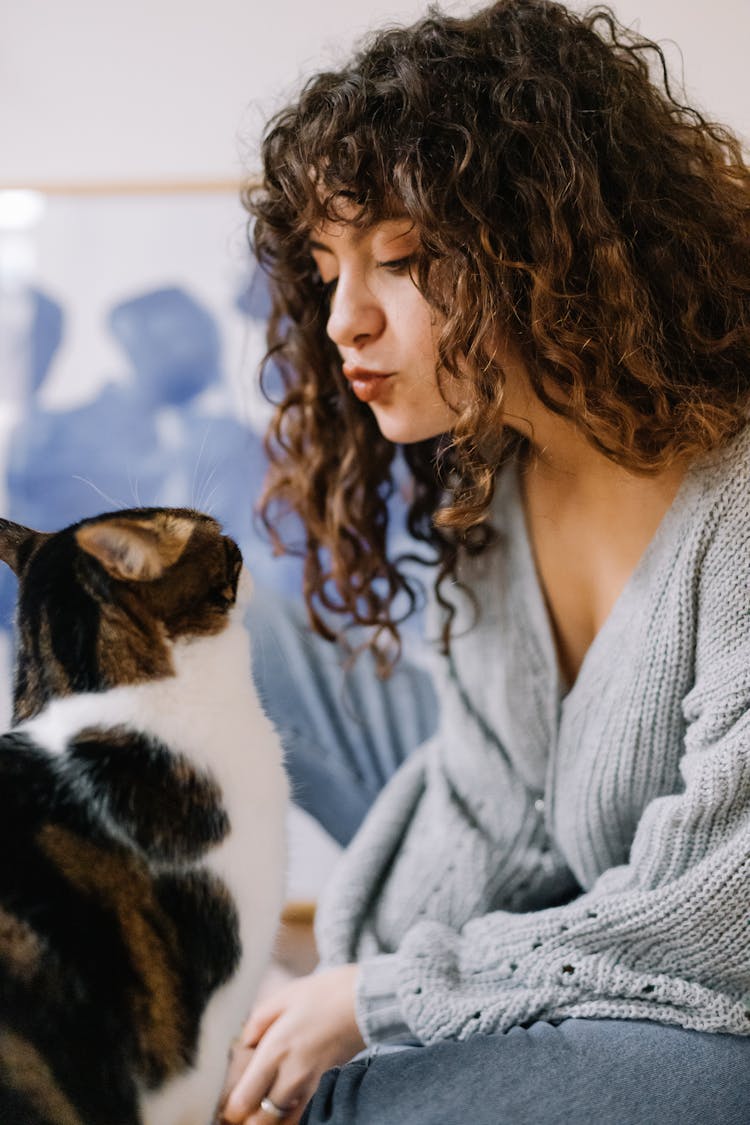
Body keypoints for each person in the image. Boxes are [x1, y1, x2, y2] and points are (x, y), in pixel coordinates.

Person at [223, 1, 750, 1121]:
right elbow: (488, 809)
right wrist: (336, 1000)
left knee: (364, 1098)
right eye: (326, 270)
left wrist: (387, 1000)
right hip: (605, 904)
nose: (342, 323)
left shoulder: (736, 498)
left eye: (404, 259)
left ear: (557, 247)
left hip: (725, 996)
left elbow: (725, 926)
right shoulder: (501, 474)